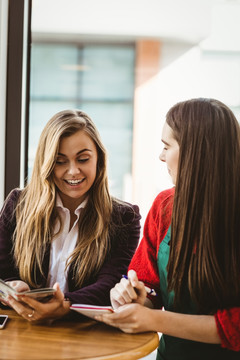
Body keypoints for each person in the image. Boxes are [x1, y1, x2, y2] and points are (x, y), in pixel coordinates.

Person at [96, 98, 240, 359]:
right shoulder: (165, 206)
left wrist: (154, 320)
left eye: (166, 146)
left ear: (197, 152)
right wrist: (136, 298)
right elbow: (149, 287)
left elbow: (236, 326)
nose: (161, 156)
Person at [0, 109, 141, 322]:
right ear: (46, 164)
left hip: (85, 334)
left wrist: (64, 304)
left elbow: (110, 286)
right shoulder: (18, 205)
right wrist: (11, 286)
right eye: (60, 161)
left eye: (83, 159)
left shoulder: (124, 218)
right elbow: (3, 269)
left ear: (99, 160)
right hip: (22, 330)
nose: (73, 171)